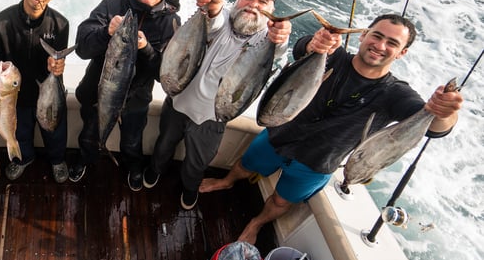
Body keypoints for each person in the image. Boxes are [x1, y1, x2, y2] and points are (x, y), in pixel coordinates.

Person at [198, 14, 464, 244]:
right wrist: (314, 44)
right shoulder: (333, 56)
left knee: (281, 201)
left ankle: (255, 224)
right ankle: (227, 181)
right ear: (363, 35)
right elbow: (303, 49)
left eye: (392, 43)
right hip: (278, 136)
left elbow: (434, 128)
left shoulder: (396, 95)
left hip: (317, 163)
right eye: (376, 35)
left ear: (402, 52)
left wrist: (444, 113)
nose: (380, 46)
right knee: (245, 164)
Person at [143, 0, 292, 209]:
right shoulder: (223, 19)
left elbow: (280, 47)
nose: (253, 4)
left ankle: (190, 188)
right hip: (178, 101)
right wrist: (212, 7)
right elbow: (214, 19)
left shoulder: (267, 40)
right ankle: (155, 170)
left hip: (213, 118)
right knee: (164, 144)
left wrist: (281, 36)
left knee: (197, 162)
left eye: (263, 2)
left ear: (272, 11)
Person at [71, 0, 181, 186]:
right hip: (97, 95)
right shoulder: (111, 4)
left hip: (135, 101)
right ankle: (85, 158)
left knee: (132, 140)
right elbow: (82, 48)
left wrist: (147, 49)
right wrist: (106, 33)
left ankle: (133, 166)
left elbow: (165, 75)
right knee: (90, 135)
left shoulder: (170, 23)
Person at [0, 0, 70, 183]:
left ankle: (57, 160)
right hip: (16, 95)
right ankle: (24, 159)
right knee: (21, 132)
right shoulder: (3, 20)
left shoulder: (61, 24)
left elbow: (59, 59)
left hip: (48, 92)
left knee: (55, 132)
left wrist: (58, 67)